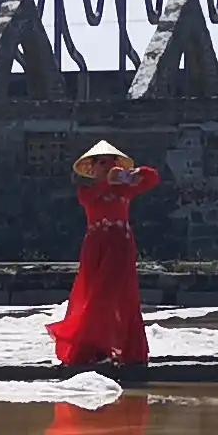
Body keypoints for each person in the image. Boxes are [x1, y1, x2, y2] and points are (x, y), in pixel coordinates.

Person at [50, 140, 160, 369]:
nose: (107, 167)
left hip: (121, 244)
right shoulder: (87, 191)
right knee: (95, 295)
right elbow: (94, 197)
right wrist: (110, 182)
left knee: (124, 297)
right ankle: (94, 349)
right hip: (96, 246)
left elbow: (152, 179)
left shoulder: (125, 189)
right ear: (92, 168)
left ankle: (128, 351)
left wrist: (133, 174)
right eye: (101, 163)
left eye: (111, 163)